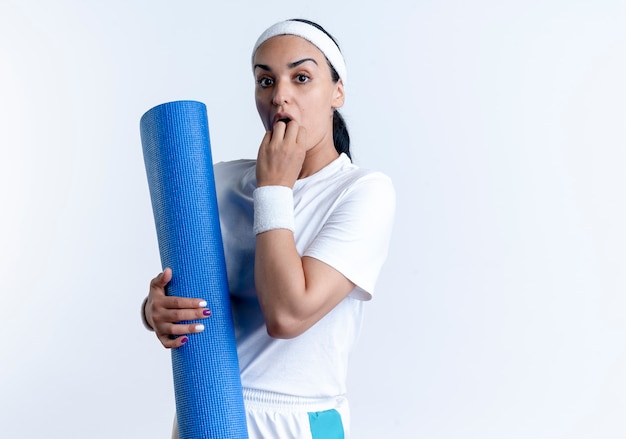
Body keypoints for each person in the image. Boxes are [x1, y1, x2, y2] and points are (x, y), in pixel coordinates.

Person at [141, 18, 396, 439]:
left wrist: (274, 188)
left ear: (337, 91)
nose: (280, 96)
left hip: (300, 422)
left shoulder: (363, 192)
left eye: (301, 77)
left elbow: (287, 314)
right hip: (206, 409)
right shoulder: (219, 180)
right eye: (265, 81)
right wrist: (155, 312)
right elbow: (187, 294)